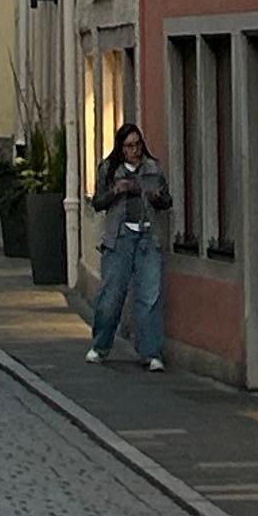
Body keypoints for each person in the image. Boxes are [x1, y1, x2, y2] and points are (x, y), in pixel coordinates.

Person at [86, 119, 171, 370]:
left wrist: (159, 198)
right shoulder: (109, 170)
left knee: (150, 296)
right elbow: (98, 203)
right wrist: (116, 191)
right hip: (119, 237)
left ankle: (151, 352)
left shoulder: (153, 169)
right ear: (120, 149)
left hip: (148, 236)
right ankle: (100, 346)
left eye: (137, 145)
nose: (134, 151)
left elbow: (167, 201)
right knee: (111, 295)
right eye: (128, 146)